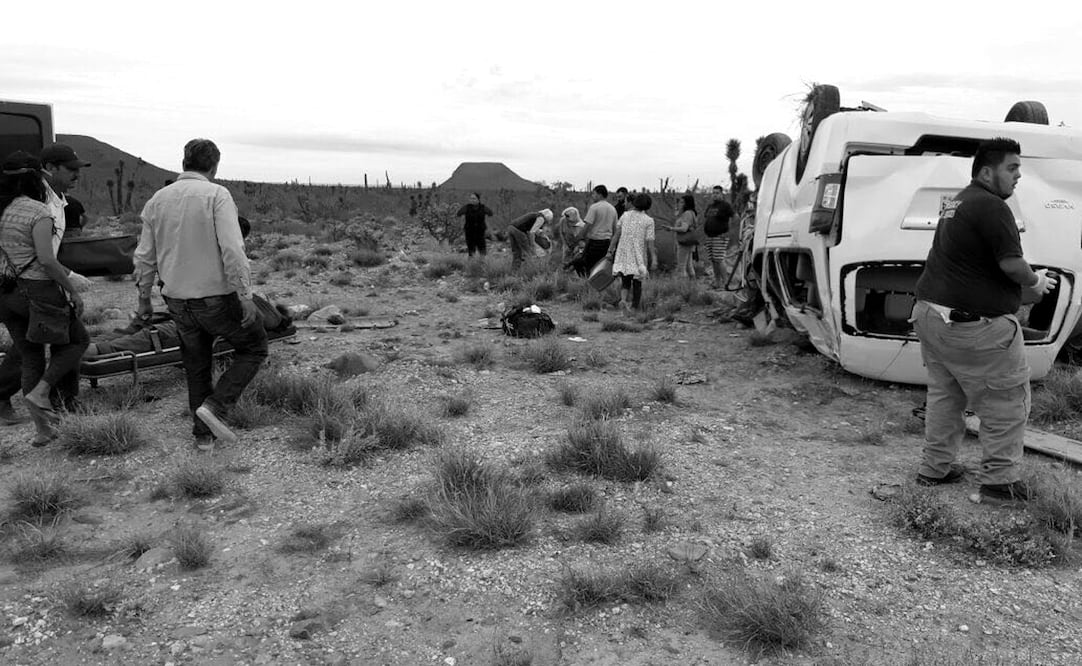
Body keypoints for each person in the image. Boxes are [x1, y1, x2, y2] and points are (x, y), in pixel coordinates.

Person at [912, 137, 1055, 503]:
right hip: (974, 328)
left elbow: (970, 265)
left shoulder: (956, 201)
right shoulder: (993, 207)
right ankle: (999, 484)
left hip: (931, 316)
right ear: (987, 171)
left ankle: (935, 469)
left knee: (947, 395)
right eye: (1012, 168)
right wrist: (1036, 281)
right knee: (1006, 400)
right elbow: (1011, 264)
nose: (1018, 176)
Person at [134, 138, 268, 448]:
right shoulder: (216, 195)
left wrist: (143, 298)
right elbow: (233, 247)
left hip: (177, 300)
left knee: (196, 363)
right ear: (214, 166)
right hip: (216, 298)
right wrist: (244, 293)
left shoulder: (157, 200)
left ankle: (203, 437)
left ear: (184, 164)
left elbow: (144, 255)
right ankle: (215, 408)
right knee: (254, 347)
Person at [0, 151, 88, 446]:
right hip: (37, 291)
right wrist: (72, 289)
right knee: (77, 340)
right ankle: (43, 393)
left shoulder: (4, 210)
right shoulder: (38, 212)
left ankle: (43, 431)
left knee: (30, 356)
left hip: (6, 293)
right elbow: (47, 260)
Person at [606, 192, 657, 311]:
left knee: (625, 279)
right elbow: (650, 242)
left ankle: (623, 300)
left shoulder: (625, 215)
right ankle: (634, 306)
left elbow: (616, 235)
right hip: (638, 254)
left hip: (623, 251)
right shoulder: (649, 221)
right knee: (637, 281)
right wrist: (654, 258)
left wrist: (610, 250)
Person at [572, 185, 618, 277]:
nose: (593, 196)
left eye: (594, 194)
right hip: (606, 243)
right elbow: (615, 229)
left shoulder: (594, 207)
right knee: (600, 267)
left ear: (599, 194)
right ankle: (598, 286)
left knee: (583, 264)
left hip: (594, 242)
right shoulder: (613, 209)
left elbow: (587, 225)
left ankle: (586, 283)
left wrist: (578, 238)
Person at [702, 185, 734, 289]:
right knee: (713, 260)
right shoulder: (710, 206)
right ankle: (717, 282)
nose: (714, 195)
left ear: (721, 194)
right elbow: (706, 218)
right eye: (713, 193)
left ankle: (726, 283)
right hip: (710, 236)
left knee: (719, 259)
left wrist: (730, 233)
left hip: (720, 236)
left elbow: (735, 218)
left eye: (717, 193)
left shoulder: (725, 206)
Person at [666, 193, 699, 279]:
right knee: (689, 264)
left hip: (684, 242)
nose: (680, 204)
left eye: (682, 202)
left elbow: (684, 228)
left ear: (686, 203)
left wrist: (671, 228)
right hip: (688, 242)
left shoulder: (687, 214)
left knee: (681, 266)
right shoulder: (690, 213)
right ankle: (692, 284)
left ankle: (682, 285)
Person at [455, 193, 493, 257]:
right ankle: (472, 264)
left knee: (482, 248)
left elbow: (490, 213)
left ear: (478, 200)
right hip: (469, 231)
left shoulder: (483, 207)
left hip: (480, 231)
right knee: (471, 249)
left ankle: (483, 263)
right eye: (471, 198)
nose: (472, 200)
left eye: (474, 198)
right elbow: (458, 214)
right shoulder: (467, 207)